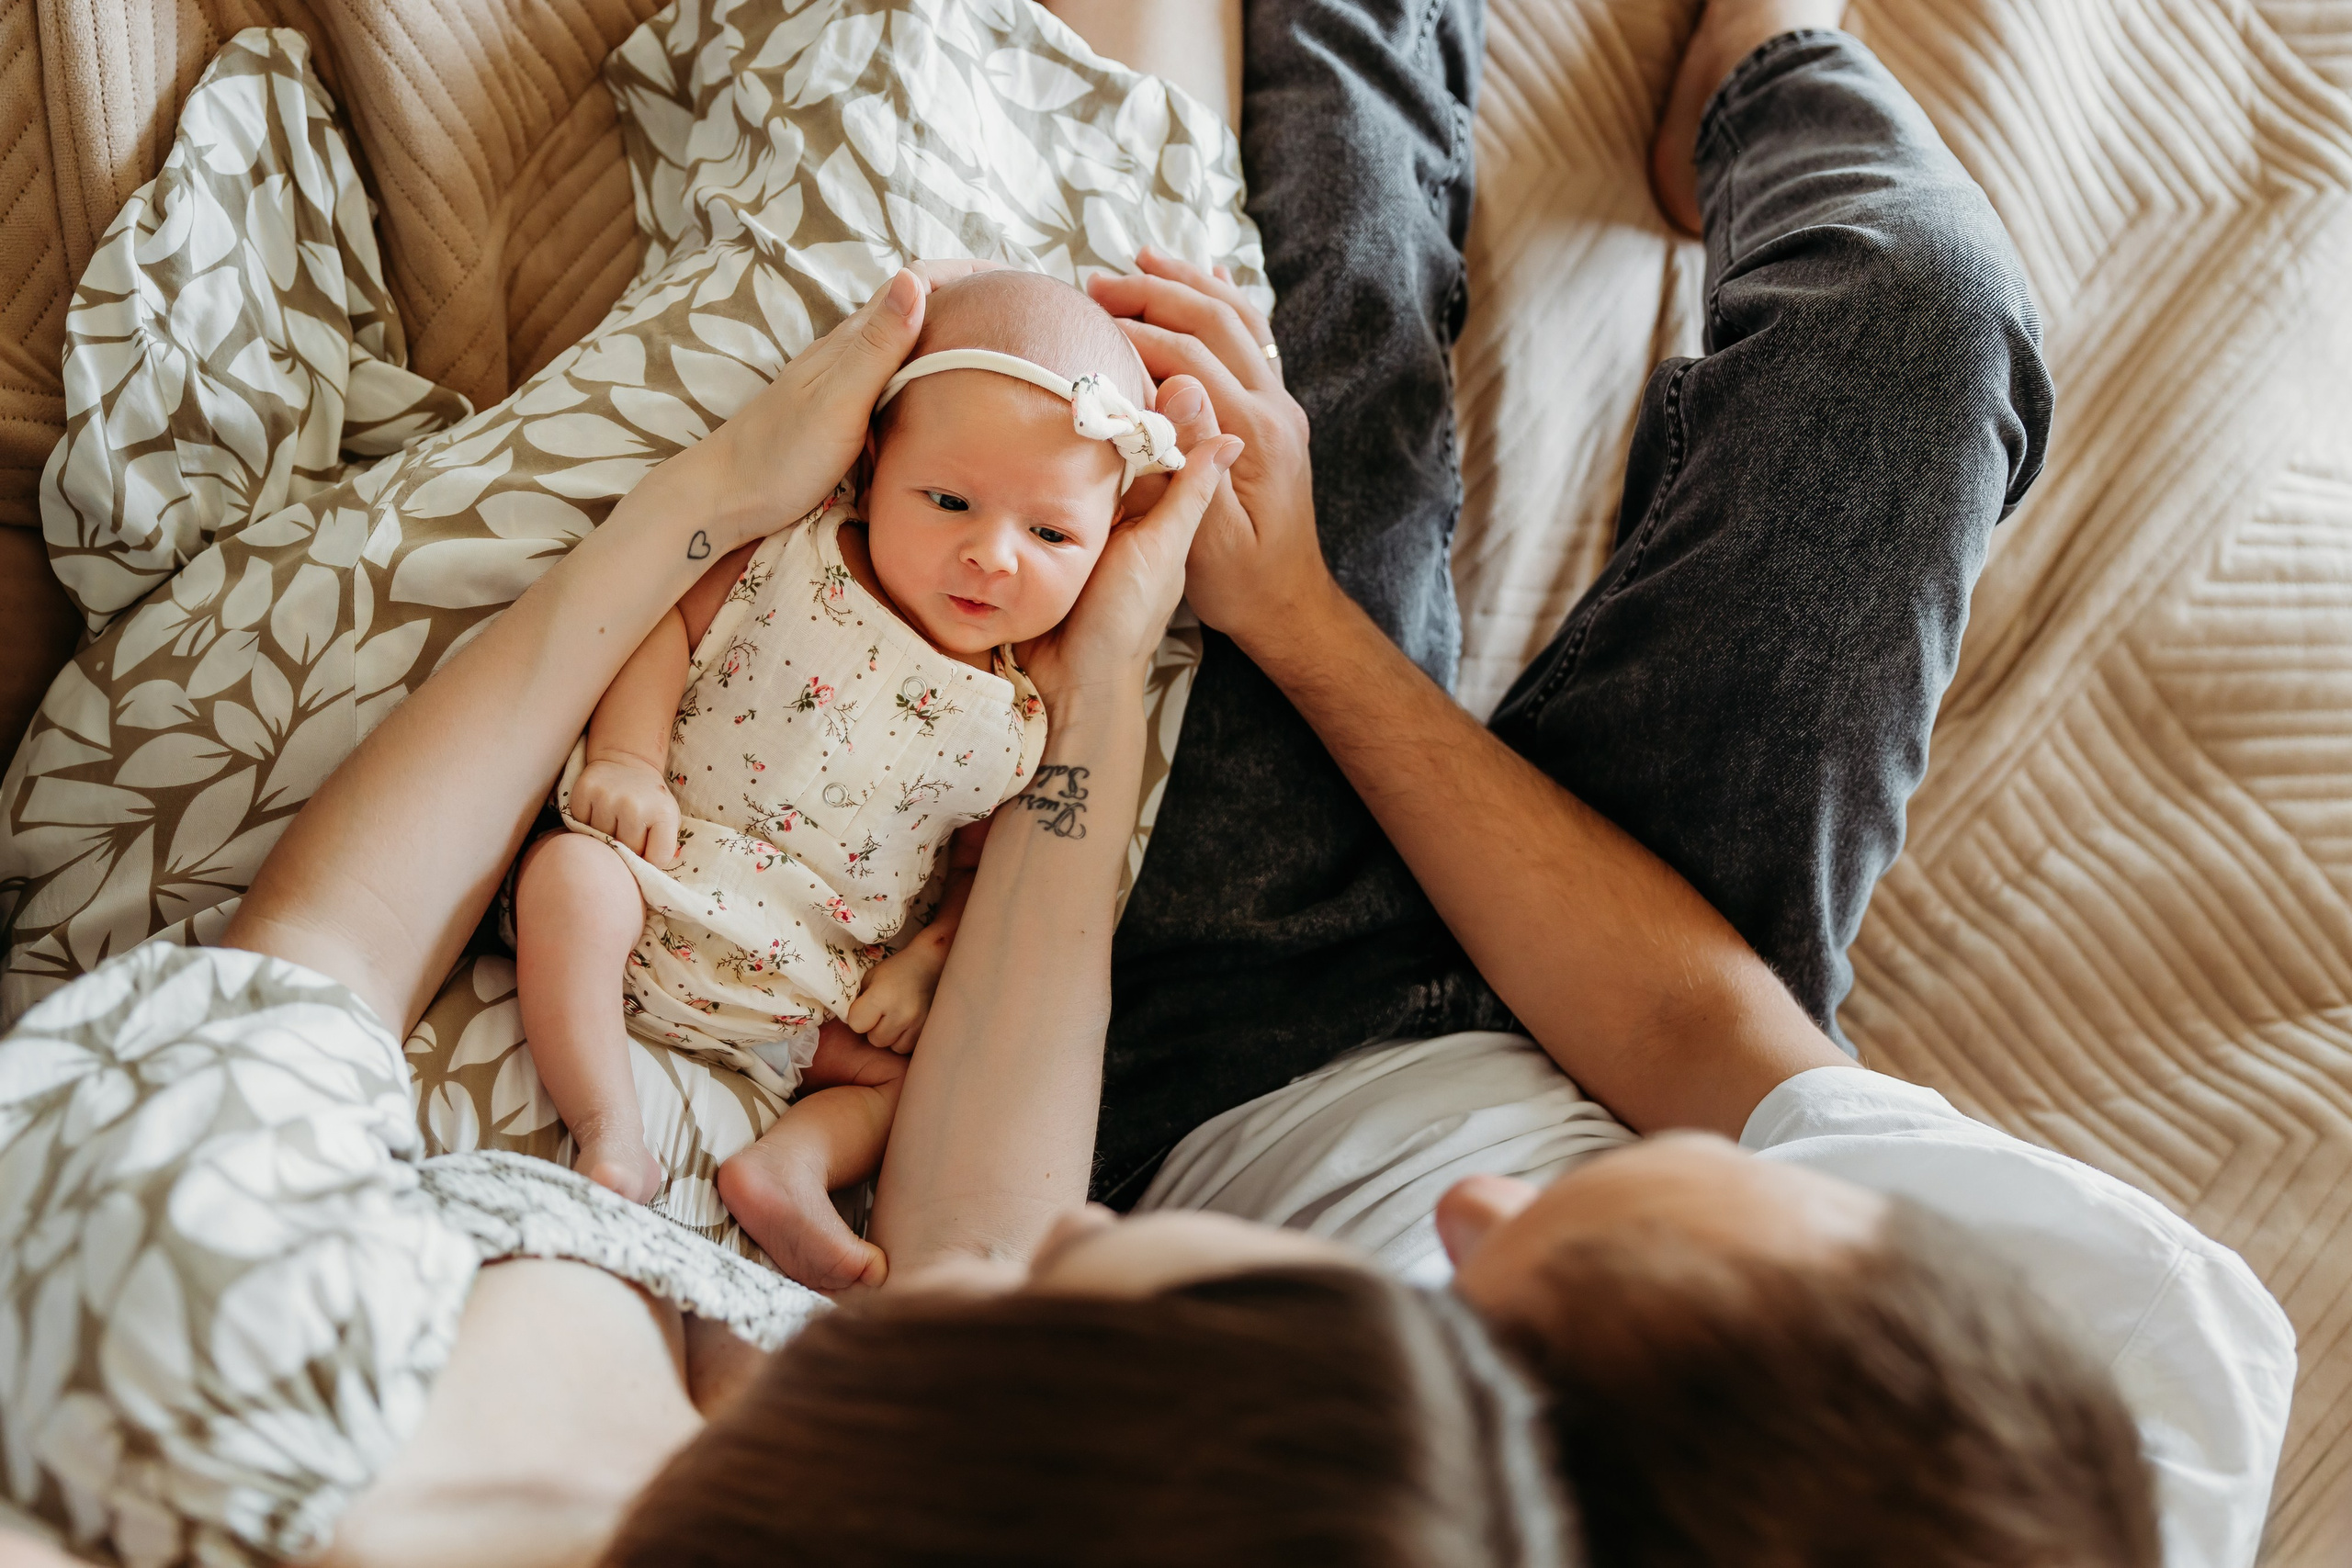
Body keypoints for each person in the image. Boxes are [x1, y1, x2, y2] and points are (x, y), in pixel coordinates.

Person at [0, 275, 1573, 1568]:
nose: (1085, 1213)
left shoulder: (236, 1366)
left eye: (1115, 1263)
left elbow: (329, 944)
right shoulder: (792, 1418)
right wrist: (1098, 671)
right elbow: (977, 1237)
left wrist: (703, 491)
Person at [1063, 0, 2296, 1564]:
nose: (1477, 1206)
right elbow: (1697, 1036)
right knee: (1924, 325)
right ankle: (1760, 66)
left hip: (1212, 1062)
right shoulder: (2150, 1412)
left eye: (1485, 1346)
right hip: (1666, 1017)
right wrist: (1309, 624)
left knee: (1321, 304)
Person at [513, 271, 1182, 1289]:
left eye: (1051, 536)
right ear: (871, 469)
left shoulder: (1015, 721)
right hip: (650, 881)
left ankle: (789, 1167)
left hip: (802, 996)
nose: (991, 556)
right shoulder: (791, 560)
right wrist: (626, 760)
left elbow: (975, 871)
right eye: (949, 500)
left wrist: (921, 967)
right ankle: (611, 1128)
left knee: (914, 1089)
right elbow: (662, 626)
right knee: (565, 882)